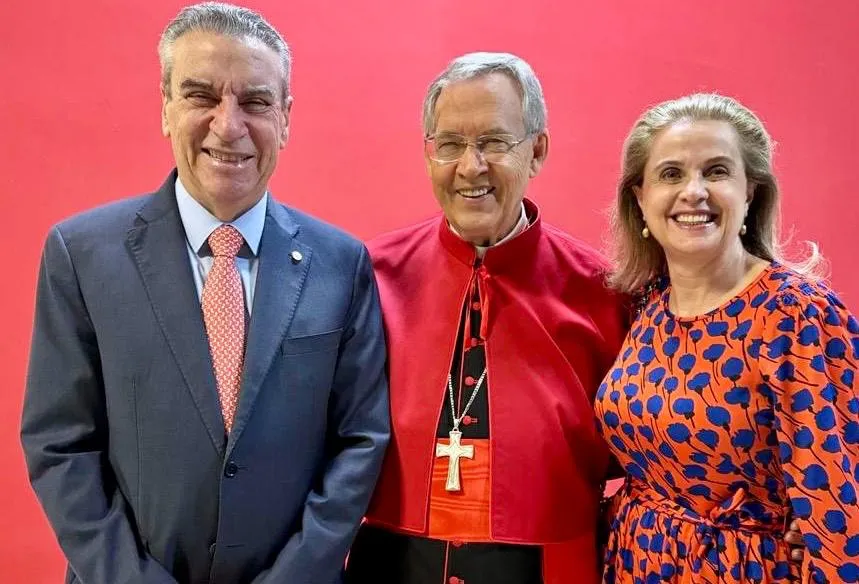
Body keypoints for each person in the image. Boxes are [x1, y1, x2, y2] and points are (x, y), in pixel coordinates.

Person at [20, 3, 389, 583]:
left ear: (286, 118)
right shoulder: (82, 255)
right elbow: (60, 445)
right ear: (165, 107)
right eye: (201, 96)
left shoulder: (342, 265)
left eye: (256, 102)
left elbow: (361, 441)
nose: (228, 124)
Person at [344, 52, 630, 584]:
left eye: (495, 142)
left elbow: (642, 446)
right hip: (392, 560)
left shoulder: (604, 291)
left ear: (537, 150)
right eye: (449, 145)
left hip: (544, 565)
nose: (470, 166)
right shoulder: (371, 274)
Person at [596, 93, 859, 583]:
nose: (693, 192)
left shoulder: (797, 315)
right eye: (671, 174)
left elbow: (840, 511)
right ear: (639, 197)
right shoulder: (647, 305)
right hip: (636, 562)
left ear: (751, 192)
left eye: (716, 171)